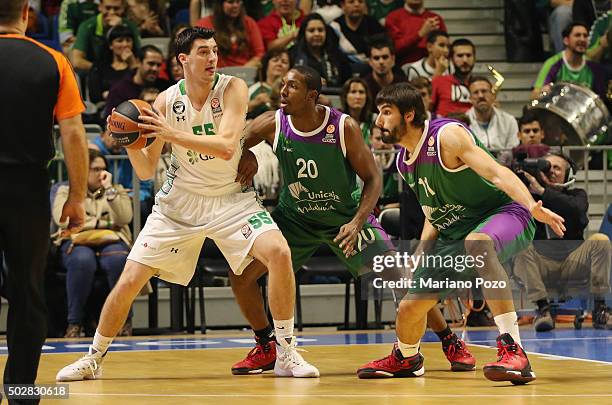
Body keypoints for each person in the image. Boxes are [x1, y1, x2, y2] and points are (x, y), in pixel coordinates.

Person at [56, 27, 319, 382]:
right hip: (179, 205)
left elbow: (227, 146)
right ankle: (92, 359)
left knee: (279, 253)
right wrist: (130, 140)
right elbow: (147, 170)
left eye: (214, 51)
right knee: (130, 278)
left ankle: (287, 352)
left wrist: (168, 134)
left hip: (231, 200)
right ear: (183, 59)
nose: (212, 58)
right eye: (203, 52)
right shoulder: (164, 102)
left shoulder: (233, 89)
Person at [230, 66, 475, 377]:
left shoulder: (342, 127)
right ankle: (266, 344)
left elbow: (372, 178)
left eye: (291, 86)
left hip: (346, 220)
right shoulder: (273, 123)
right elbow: (233, 144)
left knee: (401, 278)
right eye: (282, 85)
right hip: (295, 221)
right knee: (240, 276)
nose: (282, 91)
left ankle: (449, 341)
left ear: (311, 95)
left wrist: (359, 221)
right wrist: (247, 155)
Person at [362, 82, 565, 383]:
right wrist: (420, 254)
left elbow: (498, 172)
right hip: (456, 233)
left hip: (505, 213)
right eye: (379, 113)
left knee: (478, 242)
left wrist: (533, 206)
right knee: (409, 307)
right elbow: (435, 213)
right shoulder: (406, 163)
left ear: (408, 115)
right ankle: (407, 358)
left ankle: (515, 351)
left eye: (386, 112)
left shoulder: (448, 136)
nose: (379, 121)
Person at [0, 0, 88, 395]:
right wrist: (77, 196)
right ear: (25, 13)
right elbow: (73, 133)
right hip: (27, 189)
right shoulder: (52, 60)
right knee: (27, 290)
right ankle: (20, 390)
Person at [513, 152, 612, 331]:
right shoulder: (530, 199)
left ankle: (600, 310)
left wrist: (543, 191)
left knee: (601, 240)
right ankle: (543, 309)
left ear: (568, 175)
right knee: (520, 244)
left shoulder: (577, 195)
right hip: (541, 264)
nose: (550, 171)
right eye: (547, 166)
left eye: (557, 168)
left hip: (573, 263)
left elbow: (576, 211)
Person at [53, 149, 134, 338]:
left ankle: (124, 321)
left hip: (111, 241)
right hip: (76, 240)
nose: (101, 174)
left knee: (118, 259)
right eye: (95, 169)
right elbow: (63, 219)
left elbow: (124, 218)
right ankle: (74, 323)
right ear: (83, 169)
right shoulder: (66, 190)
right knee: (83, 260)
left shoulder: (115, 189)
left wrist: (110, 191)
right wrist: (104, 223)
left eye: (103, 169)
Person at [533, 22, 607, 100]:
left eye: (585, 36)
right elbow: (534, 95)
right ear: (566, 41)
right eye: (577, 35)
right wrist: (543, 93)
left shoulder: (592, 66)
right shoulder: (553, 63)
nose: (582, 39)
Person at [71, 0, 141, 71]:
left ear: (123, 8)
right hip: (96, 72)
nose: (112, 12)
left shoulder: (130, 26)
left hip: (125, 72)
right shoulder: (87, 26)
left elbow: (139, 57)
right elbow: (77, 61)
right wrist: (104, 72)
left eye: (116, 9)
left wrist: (119, 29)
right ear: (100, 7)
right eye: (107, 8)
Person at [103, 44, 169, 118]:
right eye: (151, 63)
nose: (155, 69)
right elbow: (110, 122)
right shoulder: (119, 90)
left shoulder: (166, 88)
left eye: (158, 65)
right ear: (138, 62)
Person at [195, 0, 265, 68]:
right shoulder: (204, 24)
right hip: (216, 73)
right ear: (220, 5)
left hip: (244, 73)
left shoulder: (249, 23)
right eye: (230, 2)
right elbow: (198, 53)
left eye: (238, 2)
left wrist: (243, 71)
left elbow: (259, 53)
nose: (235, 5)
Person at [291, 13, 351, 88]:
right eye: (311, 30)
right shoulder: (293, 54)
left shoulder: (337, 55)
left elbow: (347, 84)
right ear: (304, 33)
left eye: (320, 30)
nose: (317, 34)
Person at [385, 0, 447, 66]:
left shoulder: (436, 19)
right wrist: (420, 34)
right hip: (402, 69)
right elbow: (394, 48)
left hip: (433, 68)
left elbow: (445, 48)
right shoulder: (393, 17)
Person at [465, 76, 519, 152]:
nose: (481, 96)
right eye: (476, 92)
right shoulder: (462, 124)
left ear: (493, 95)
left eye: (484, 91)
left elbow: (513, 150)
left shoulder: (509, 121)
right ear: (470, 98)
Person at [87, 24, 139, 104]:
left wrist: (132, 64)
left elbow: (141, 89)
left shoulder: (139, 65)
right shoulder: (99, 67)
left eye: (128, 40)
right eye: (120, 41)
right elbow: (94, 96)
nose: (125, 44)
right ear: (111, 45)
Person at [329, 0, 385, 66]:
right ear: (343, 5)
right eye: (351, 2)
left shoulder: (374, 25)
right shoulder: (334, 27)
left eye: (360, 1)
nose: (357, 5)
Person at [430, 38, 475, 117]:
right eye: (460, 56)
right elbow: (427, 108)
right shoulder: (439, 81)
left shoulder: (481, 85)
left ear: (474, 58)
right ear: (451, 59)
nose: (465, 60)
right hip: (445, 126)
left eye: (468, 55)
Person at [362, 37, 408, 114]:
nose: (381, 62)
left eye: (385, 57)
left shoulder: (404, 86)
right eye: (376, 58)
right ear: (370, 62)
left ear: (393, 59)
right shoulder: (363, 86)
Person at [248, 48, 290, 119]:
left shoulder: (291, 90)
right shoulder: (253, 89)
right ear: (266, 64)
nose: (279, 64)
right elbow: (236, 113)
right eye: (275, 60)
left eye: (284, 62)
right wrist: (255, 102)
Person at [340, 77, 374, 142]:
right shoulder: (337, 120)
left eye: (361, 92)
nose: (358, 96)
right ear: (345, 96)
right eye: (353, 92)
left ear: (367, 96)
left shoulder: (374, 120)